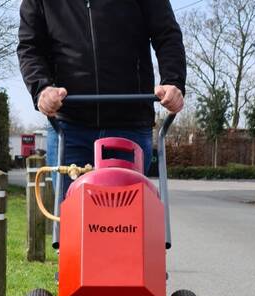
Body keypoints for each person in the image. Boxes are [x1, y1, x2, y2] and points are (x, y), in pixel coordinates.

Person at [17, 0, 186, 176]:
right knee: (71, 203)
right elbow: (30, 46)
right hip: (69, 124)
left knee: (129, 202)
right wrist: (42, 88)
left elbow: (167, 35)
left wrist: (173, 82)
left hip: (130, 122)